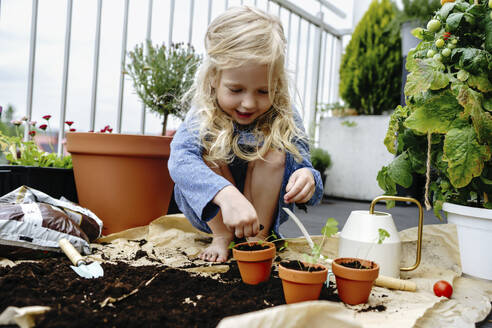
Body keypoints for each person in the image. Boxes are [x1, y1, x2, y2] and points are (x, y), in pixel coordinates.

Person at [168, 5, 323, 263]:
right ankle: (222, 238)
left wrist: (307, 178)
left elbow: (304, 166)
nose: (249, 103)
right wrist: (225, 193)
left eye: (263, 91)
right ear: (214, 78)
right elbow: (179, 160)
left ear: (276, 85)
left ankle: (256, 241)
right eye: (236, 89)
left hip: (264, 211)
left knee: (275, 151)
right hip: (213, 216)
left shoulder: (284, 113)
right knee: (206, 151)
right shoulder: (204, 112)